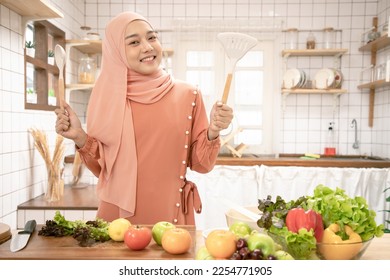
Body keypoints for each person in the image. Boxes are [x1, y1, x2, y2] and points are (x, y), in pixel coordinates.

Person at [55, 11, 233, 225]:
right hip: (118, 219)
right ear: (116, 52)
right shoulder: (107, 97)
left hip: (171, 219)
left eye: (151, 37)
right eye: (134, 42)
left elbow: (201, 165)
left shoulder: (189, 94)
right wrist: (79, 136)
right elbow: (103, 168)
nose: (148, 47)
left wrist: (213, 131)